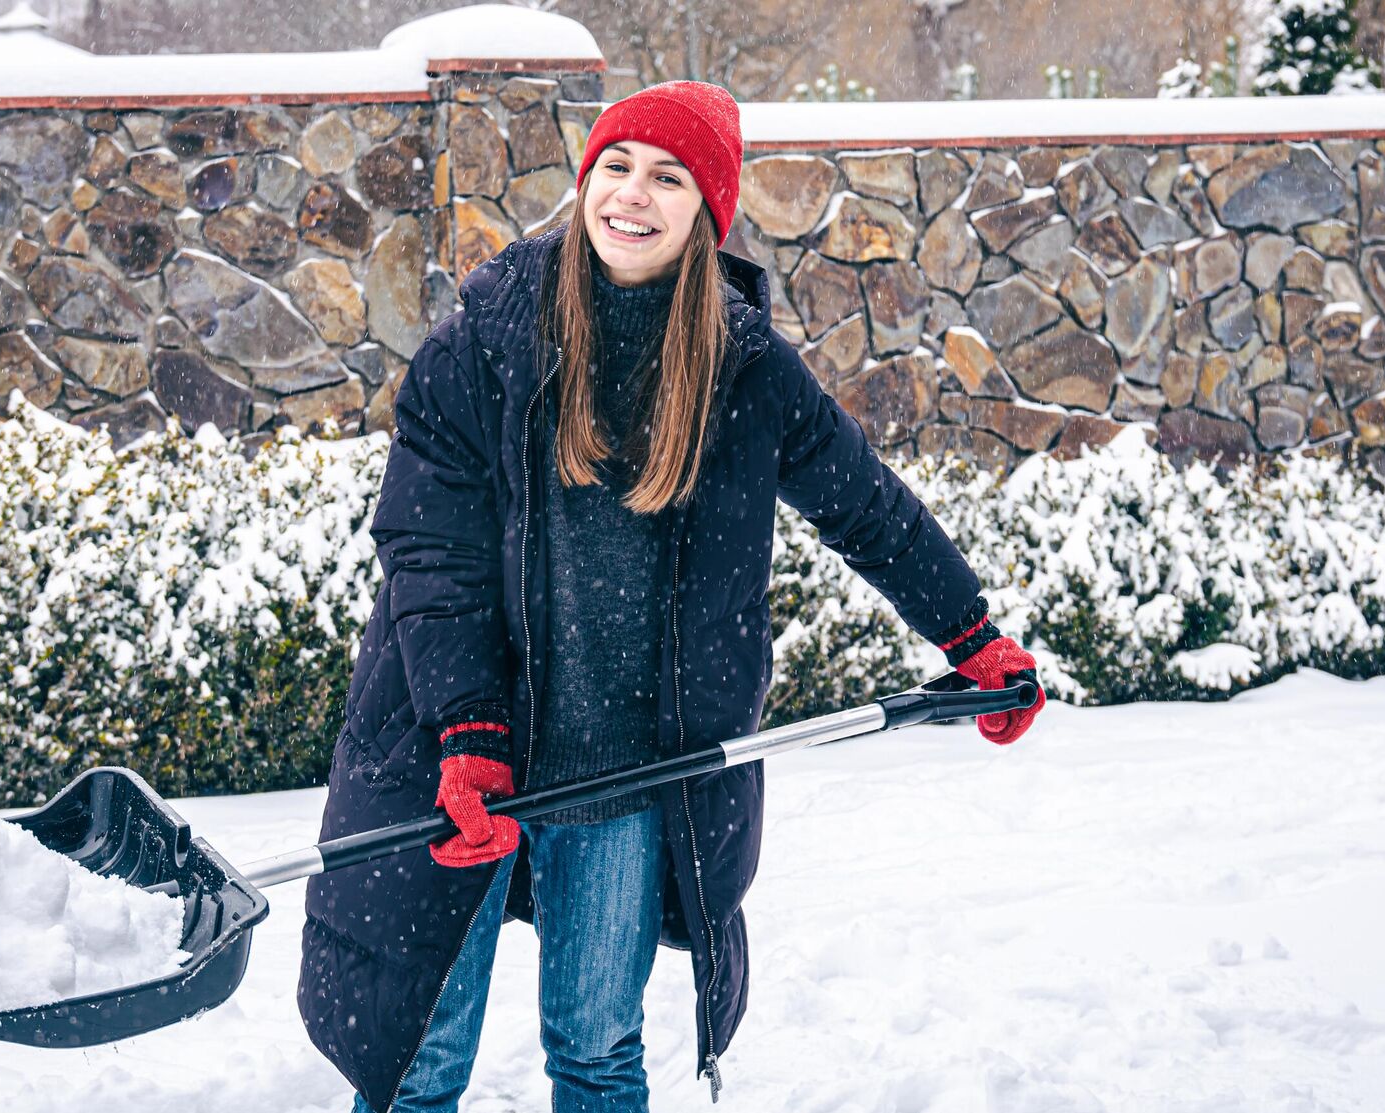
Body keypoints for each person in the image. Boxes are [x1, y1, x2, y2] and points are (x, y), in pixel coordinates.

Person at [297, 81, 1047, 1113]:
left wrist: (970, 635)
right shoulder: (488, 336)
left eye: (668, 177)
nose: (632, 197)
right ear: (585, 178)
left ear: (708, 208)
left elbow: (863, 505)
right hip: (459, 756)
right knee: (419, 1061)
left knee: (599, 1050)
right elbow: (431, 551)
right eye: (616, 167)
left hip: (624, 775)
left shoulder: (742, 367)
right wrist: (468, 731)